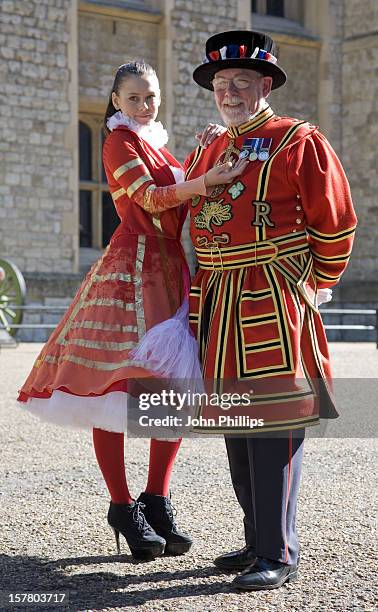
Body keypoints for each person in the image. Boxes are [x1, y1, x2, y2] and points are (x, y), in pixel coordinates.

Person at [17, 61, 247, 561]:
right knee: (114, 387)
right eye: (136, 97)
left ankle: (156, 499)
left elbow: (178, 191)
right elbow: (148, 197)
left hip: (170, 270)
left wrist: (201, 152)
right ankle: (122, 505)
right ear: (117, 100)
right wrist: (202, 177)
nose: (145, 105)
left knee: (168, 388)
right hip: (130, 271)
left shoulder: (157, 145)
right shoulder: (118, 141)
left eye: (152, 96)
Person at [185, 31, 357, 590]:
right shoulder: (211, 147)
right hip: (219, 298)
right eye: (219, 84)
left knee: (276, 422)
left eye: (239, 82)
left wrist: (313, 284)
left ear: (265, 85)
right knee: (237, 423)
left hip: (272, 295)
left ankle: (278, 551)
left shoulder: (298, 141)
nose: (228, 92)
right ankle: (256, 537)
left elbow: (335, 222)